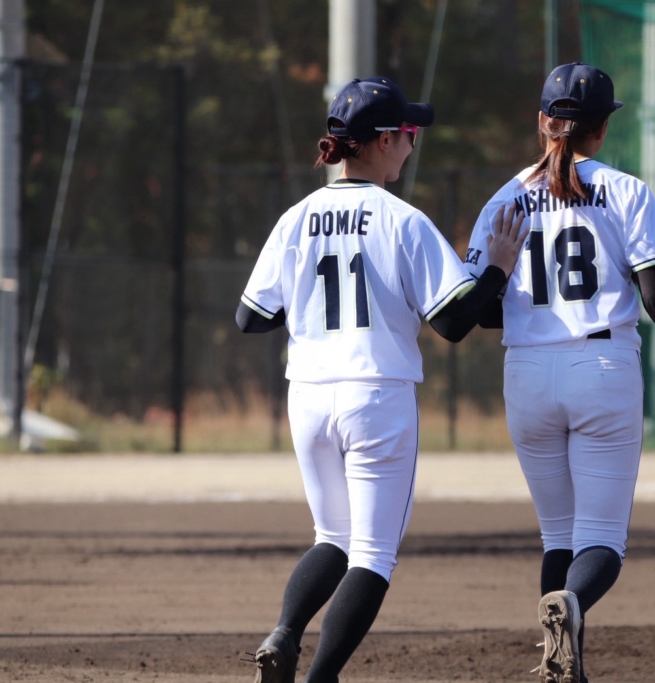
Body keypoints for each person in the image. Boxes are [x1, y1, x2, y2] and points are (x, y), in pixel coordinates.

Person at [235, 76, 526, 683]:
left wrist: (311, 302)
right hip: (376, 396)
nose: (413, 144)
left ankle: (284, 632)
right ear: (384, 140)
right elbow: (453, 323)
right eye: (409, 133)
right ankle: (319, 679)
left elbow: (251, 317)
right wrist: (497, 269)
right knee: (371, 555)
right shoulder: (402, 220)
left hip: (308, 396)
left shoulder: (296, 218)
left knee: (331, 537)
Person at [464, 62, 655, 683]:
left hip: (526, 370)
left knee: (557, 537)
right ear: (602, 129)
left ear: (543, 121)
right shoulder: (626, 191)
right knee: (602, 542)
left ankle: (563, 666)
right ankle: (571, 603)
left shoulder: (503, 199)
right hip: (601, 366)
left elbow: (480, 310)